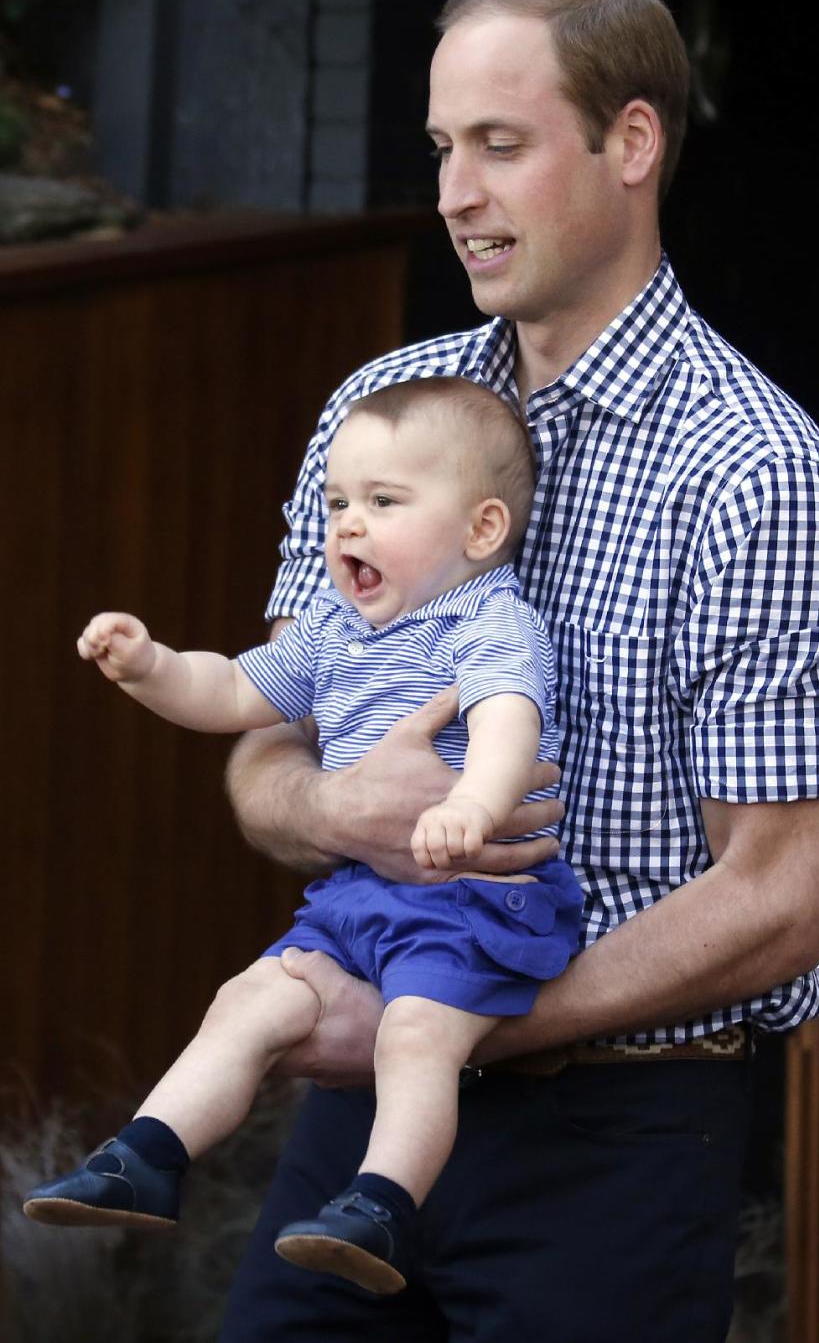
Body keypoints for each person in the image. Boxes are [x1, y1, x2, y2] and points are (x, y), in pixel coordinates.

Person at [219, 0, 819, 1343]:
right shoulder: (378, 412)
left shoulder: (757, 477)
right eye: (442, 148)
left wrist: (458, 1024)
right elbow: (262, 745)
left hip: (615, 1141)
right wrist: (322, 800)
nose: (456, 193)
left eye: (501, 146)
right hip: (354, 1120)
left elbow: (780, 898)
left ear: (632, 142)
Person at [23, 378, 583, 1294]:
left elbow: (507, 729)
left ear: (482, 532)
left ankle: (383, 1202)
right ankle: (145, 1157)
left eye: (383, 503)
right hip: (362, 895)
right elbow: (237, 693)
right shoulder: (332, 627)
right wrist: (150, 666)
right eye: (336, 503)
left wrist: (471, 811)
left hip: (474, 897)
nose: (348, 526)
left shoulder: (490, 620)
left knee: (414, 1035)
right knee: (250, 999)